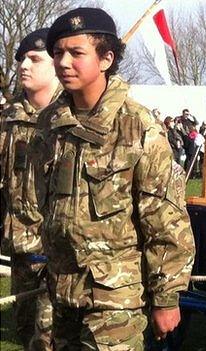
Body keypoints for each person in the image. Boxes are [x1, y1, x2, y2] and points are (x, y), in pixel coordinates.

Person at [34, 8, 195, 349]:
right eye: (58, 53)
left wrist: (166, 297)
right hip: (61, 294)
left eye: (76, 53)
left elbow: (166, 221)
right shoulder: (50, 125)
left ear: (106, 58)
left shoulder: (138, 128)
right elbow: (46, 205)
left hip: (114, 300)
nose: (63, 62)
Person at [0, 27, 58, 351]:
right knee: (24, 331)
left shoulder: (70, 116)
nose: (23, 65)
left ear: (54, 64)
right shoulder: (9, 120)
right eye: (21, 58)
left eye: (34, 58)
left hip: (59, 253)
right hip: (21, 250)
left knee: (47, 338)